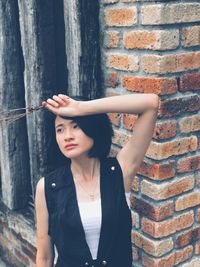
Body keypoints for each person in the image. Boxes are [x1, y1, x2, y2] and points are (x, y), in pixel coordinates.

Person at [35, 93, 159, 267]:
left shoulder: (119, 172)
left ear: (93, 127)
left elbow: (150, 104)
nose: (67, 136)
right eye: (60, 129)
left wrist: (81, 108)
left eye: (76, 126)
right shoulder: (47, 187)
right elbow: (44, 257)